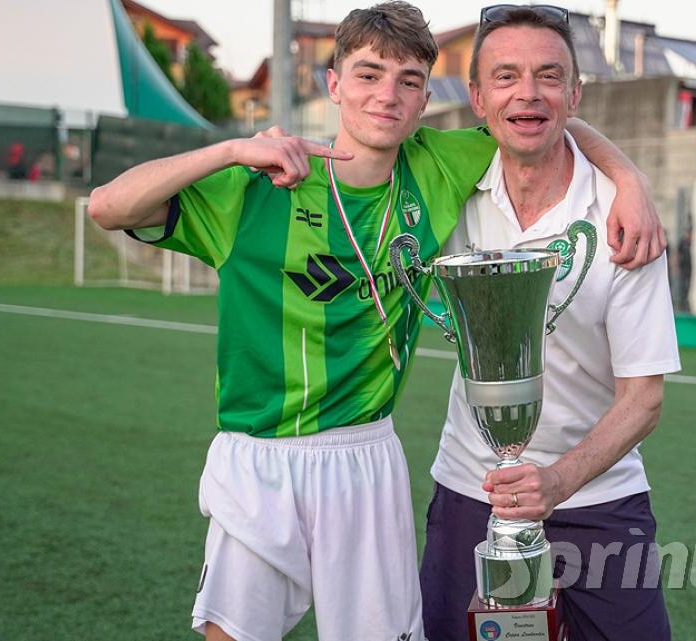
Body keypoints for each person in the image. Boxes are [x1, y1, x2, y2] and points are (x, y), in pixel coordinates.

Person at [86, 3, 664, 640]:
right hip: (260, 454)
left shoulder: (436, 166)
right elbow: (108, 207)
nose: (387, 95)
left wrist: (629, 179)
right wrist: (229, 149)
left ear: (426, 101)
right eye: (368, 75)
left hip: (367, 453)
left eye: (408, 81)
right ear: (333, 83)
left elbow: (541, 117)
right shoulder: (256, 184)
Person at [419, 6, 680, 641]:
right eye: (505, 76)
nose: (528, 93)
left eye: (549, 76)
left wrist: (556, 482)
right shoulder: (450, 186)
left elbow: (644, 398)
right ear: (477, 98)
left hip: (597, 499)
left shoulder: (623, 219)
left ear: (575, 93)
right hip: (471, 491)